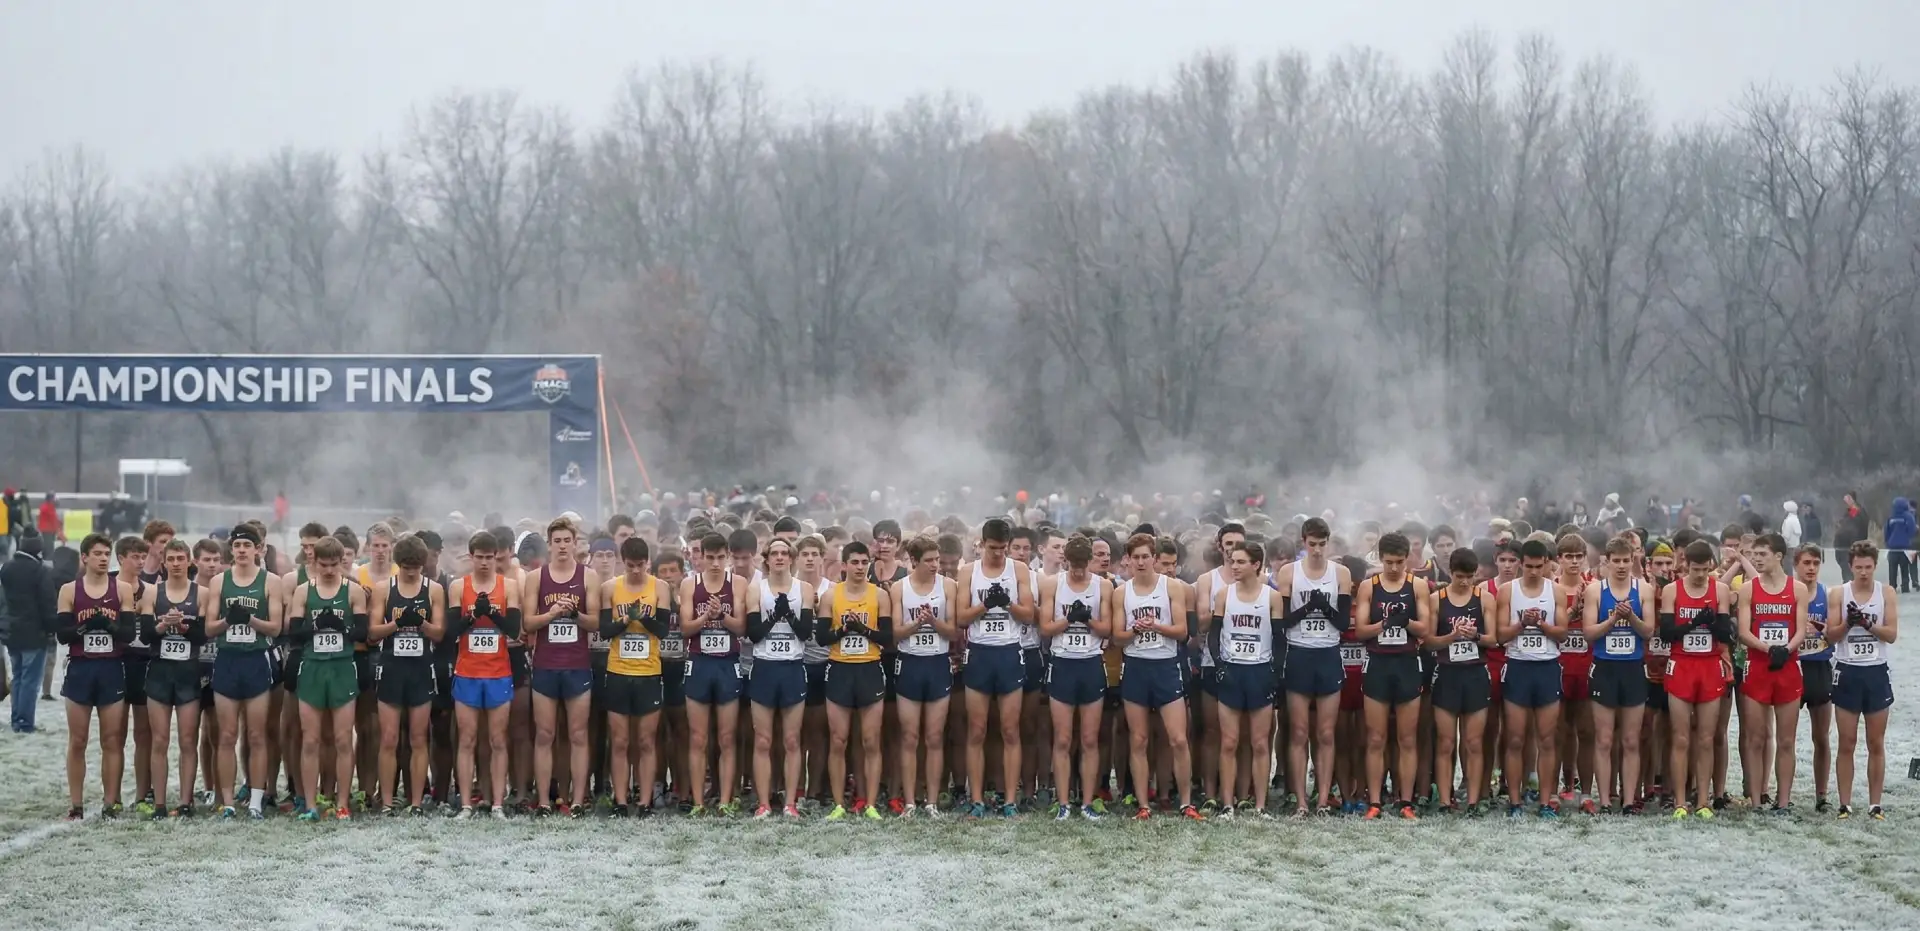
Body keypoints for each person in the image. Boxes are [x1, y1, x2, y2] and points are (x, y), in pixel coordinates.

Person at [1113, 532, 1200, 820]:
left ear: (1154, 558)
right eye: (1135, 557)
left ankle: (1186, 802)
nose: (1140, 562)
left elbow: (1182, 632)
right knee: (1138, 740)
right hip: (1137, 667)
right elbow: (1117, 638)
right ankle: (1143, 804)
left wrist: (1157, 626)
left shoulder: (1171, 587)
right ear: (1127, 560)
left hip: (1165, 665)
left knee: (1177, 738)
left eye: (1145, 557)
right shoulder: (1121, 593)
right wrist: (1135, 630)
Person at [522, 518, 602, 817]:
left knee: (578, 734)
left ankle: (578, 800)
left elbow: (595, 622)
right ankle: (543, 801)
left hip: (577, 665)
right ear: (550, 543)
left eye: (568, 540)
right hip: (545, 665)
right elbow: (528, 623)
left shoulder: (588, 577)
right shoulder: (536, 578)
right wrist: (552, 613)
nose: (563, 546)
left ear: (575, 542)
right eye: (557, 541)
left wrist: (575, 613)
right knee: (545, 734)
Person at [955, 518, 1035, 817]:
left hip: (1009, 653)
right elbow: (961, 618)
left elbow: (1028, 615)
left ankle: (1010, 800)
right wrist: (985, 605)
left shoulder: (1019, 570)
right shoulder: (968, 571)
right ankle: (976, 799)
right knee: (977, 730)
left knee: (1010, 730)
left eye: (1003, 548)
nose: (999, 554)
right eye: (993, 548)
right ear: (981, 544)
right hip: (980, 653)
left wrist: (1009, 603)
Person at [285, 535, 369, 821]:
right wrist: (318, 624)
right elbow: (294, 633)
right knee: (311, 739)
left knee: (344, 738)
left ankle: (342, 802)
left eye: (335, 564)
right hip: (312, 667)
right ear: (314, 561)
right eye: (325, 565)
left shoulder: (353, 591)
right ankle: (310, 804)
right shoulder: (303, 591)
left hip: (342, 668)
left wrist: (341, 628)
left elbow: (362, 633)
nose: (331, 570)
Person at [203, 524, 283, 820]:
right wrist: (227, 621)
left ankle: (256, 800)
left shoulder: (270, 581)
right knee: (226, 735)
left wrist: (250, 619)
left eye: (247, 546)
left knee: (256, 734)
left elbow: (276, 626)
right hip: (227, 660)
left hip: (256, 660)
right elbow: (209, 628)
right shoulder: (220, 582)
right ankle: (227, 801)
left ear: (257, 549)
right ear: (231, 549)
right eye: (236, 546)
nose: (241, 551)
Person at [55, 533, 138, 819]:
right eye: (98, 554)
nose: (104, 558)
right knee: (78, 740)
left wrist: (110, 627)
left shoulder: (122, 589)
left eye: (107, 553)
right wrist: (84, 627)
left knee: (112, 740)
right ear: (85, 557)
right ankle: (76, 804)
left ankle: (110, 802)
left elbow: (129, 634)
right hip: (80, 668)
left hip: (111, 669)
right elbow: (62, 635)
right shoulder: (69, 590)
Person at [1274, 517, 1352, 816]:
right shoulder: (1289, 572)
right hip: (1299, 653)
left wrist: (1324, 607)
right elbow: (1282, 622)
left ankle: (1321, 799)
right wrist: (1309, 606)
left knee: (1326, 733)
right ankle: (1301, 800)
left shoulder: (1340, 573)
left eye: (1322, 544)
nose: (1317, 550)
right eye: (1312, 544)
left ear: (1327, 543)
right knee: (1298, 732)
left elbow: (1343, 623)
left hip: (1328, 653)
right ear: (1303, 543)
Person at [446, 530, 524, 819]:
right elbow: (450, 633)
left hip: (498, 671)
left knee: (498, 739)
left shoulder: (509, 586)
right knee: (467, 738)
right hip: (467, 671)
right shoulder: (458, 586)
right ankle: (466, 804)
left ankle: (497, 804)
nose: (484, 563)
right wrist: (470, 616)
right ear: (471, 557)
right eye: (479, 557)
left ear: (497, 558)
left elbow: (514, 629)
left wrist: (491, 613)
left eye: (489, 558)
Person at [1353, 532, 1431, 820]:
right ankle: (1374, 800)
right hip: (1378, 664)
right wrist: (1384, 623)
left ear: (1407, 558)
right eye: (1389, 562)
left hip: (1408, 663)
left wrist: (1406, 621)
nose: (1395, 568)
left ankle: (1405, 801)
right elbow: (1360, 630)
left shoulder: (1417, 585)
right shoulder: (1369, 586)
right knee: (1375, 737)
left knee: (1407, 738)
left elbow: (1425, 629)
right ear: (1380, 559)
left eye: (1399, 562)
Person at [369, 535, 447, 816]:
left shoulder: (434, 590)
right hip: (391, 667)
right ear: (398, 564)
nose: (412, 571)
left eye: (416, 566)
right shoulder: (384, 589)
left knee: (418, 737)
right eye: (406, 566)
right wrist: (397, 623)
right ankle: (388, 802)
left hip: (421, 668)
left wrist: (421, 624)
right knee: (389, 738)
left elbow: (439, 633)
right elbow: (372, 632)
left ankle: (416, 802)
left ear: (423, 564)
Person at [1659, 540, 1733, 819]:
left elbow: (1725, 633)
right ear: (1685, 565)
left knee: (1705, 737)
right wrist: (1696, 621)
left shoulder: (1720, 590)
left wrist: (1711, 622)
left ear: (1711, 566)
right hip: (1682, 665)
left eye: (1705, 569)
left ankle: (1703, 800)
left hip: (1710, 665)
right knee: (1680, 738)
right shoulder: (1672, 591)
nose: (1701, 574)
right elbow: (1667, 633)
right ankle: (1680, 801)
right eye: (1695, 569)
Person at [817, 541, 892, 819]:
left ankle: (870, 803)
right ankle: (839, 804)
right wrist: (843, 630)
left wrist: (863, 629)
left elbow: (888, 637)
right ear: (844, 565)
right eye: (855, 562)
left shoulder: (879, 596)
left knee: (871, 740)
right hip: (839, 669)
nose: (860, 568)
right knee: (839, 740)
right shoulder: (830, 596)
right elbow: (821, 637)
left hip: (869, 669)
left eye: (864, 562)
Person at [1581, 535, 1656, 814]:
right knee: (1603, 739)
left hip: (1633, 668)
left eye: (1627, 560)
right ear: (1607, 562)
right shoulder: (1595, 591)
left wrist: (1631, 618)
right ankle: (1603, 799)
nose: (1622, 566)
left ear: (1632, 560)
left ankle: (1628, 800)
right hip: (1604, 668)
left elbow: (1648, 631)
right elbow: (1589, 633)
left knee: (1630, 739)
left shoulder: (1643, 589)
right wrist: (1613, 619)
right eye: (1617, 561)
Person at [1038, 534, 1110, 820]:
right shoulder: (1052, 584)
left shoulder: (1102, 585)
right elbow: (1045, 628)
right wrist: (1069, 619)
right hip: (1063, 664)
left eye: (1084, 565)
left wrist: (1088, 619)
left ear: (1089, 562)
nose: (1079, 571)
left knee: (1090, 739)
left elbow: (1107, 629)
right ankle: (1064, 802)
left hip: (1090, 664)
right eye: (1075, 565)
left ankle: (1088, 803)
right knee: (1064, 739)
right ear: (1066, 561)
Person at [1735, 533, 1808, 813]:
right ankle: (1755, 799)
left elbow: (1801, 628)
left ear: (1778, 556)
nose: (1755, 559)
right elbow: (1743, 632)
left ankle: (1784, 800)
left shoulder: (1797, 589)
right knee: (1755, 737)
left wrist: (1786, 649)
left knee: (1786, 739)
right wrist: (1768, 649)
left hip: (1787, 667)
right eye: (1754, 555)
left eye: (1762, 554)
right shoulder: (1748, 589)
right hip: (1758, 666)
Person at [599, 535, 671, 817]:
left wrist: (642, 617)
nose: (637, 571)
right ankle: (620, 800)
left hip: (649, 672)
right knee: (619, 741)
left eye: (641, 565)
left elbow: (663, 630)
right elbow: (604, 630)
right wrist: (625, 619)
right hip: (618, 670)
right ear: (623, 562)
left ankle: (644, 801)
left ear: (648, 562)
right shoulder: (610, 588)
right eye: (631, 565)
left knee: (645, 741)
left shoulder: (660, 588)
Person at [1208, 540, 1281, 818]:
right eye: (1232, 561)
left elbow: (1279, 639)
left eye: (1240, 562)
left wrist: (1274, 672)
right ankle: (1227, 804)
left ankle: (1260, 805)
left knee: (1260, 743)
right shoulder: (1225, 595)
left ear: (1256, 565)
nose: (1234, 566)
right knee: (1229, 741)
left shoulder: (1271, 597)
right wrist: (1219, 665)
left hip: (1259, 671)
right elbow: (1214, 634)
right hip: (1232, 670)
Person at [1497, 538, 1567, 818]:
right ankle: (1515, 801)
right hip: (1518, 666)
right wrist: (1520, 624)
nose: (1534, 572)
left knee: (1547, 740)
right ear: (1520, 564)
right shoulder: (1507, 591)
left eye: (1539, 566)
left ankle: (1546, 801)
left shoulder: (1556, 591)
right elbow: (1500, 636)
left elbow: (1563, 633)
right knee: (1515, 739)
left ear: (1548, 564)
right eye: (1528, 566)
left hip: (1547, 667)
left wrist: (1540, 623)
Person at [746, 538, 816, 818]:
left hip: (792, 667)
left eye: (784, 553)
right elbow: (753, 634)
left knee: (791, 740)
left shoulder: (805, 589)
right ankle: (763, 803)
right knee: (762, 740)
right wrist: (776, 614)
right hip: (764, 667)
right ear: (767, 559)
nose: (779, 558)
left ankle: (790, 803)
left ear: (791, 558)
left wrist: (788, 612)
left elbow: (804, 633)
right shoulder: (756, 589)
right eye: (774, 553)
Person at [138, 539, 207, 818]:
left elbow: (203, 637)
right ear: (164, 562)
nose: (176, 564)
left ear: (189, 561)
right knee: (160, 740)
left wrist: (182, 626)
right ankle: (159, 804)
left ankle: (186, 801)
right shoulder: (152, 593)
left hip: (188, 673)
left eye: (181, 558)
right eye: (172, 559)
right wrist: (162, 624)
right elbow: (144, 635)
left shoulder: (201, 593)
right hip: (160, 673)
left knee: (188, 739)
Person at [1828, 541, 1897, 820]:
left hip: (1876, 671)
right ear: (1850, 566)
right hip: (1848, 670)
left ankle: (1875, 804)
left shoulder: (1886, 593)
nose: (1864, 573)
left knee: (1875, 742)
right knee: (1847, 741)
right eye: (1859, 567)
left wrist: (1867, 624)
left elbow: (1891, 634)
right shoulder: (1839, 593)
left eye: (1868, 567)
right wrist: (1848, 623)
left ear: (1875, 566)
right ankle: (1844, 804)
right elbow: (1831, 636)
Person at [679, 531, 746, 815]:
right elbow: (685, 629)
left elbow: (743, 628)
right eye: (710, 558)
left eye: (721, 557)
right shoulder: (689, 585)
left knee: (727, 737)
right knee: (698, 737)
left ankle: (725, 801)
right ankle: (697, 802)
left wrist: (723, 616)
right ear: (700, 558)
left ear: (727, 557)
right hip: (699, 662)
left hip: (728, 662)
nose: (716, 563)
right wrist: (707, 616)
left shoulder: (738, 583)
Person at [1425, 546, 1497, 811]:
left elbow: (1493, 639)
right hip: (1447, 674)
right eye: (1459, 576)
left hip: (1475, 673)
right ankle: (1445, 799)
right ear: (1450, 573)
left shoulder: (1484, 598)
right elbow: (1429, 642)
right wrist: (1452, 636)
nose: (1464, 581)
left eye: (1469, 576)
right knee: (1446, 742)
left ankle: (1474, 800)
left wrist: (1474, 635)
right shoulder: (1437, 599)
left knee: (1473, 742)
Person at [891, 535, 957, 818]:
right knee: (909, 736)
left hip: (937, 662)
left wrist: (933, 622)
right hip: (909, 663)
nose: (934, 565)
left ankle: (930, 802)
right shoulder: (899, 588)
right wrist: (917, 623)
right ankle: (909, 802)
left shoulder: (948, 586)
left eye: (937, 560)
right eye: (928, 560)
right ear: (913, 561)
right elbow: (895, 634)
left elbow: (954, 632)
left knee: (934, 737)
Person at [1794, 543, 1836, 812]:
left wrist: (1821, 628)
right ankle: (1778, 792)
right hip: (1792, 668)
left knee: (1821, 737)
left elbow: (1836, 634)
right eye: (1806, 563)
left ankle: (1822, 794)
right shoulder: (1787, 593)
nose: (1811, 568)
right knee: (1784, 738)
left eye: (1815, 563)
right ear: (1796, 565)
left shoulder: (1828, 595)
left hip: (1819, 668)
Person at [2, 532, 53, 732]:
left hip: (12, 632)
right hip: (34, 633)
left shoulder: (6, 568)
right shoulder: (40, 571)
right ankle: (25, 722)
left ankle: (17, 719)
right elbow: (47, 604)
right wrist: (51, 630)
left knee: (18, 677)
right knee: (30, 681)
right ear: (38, 547)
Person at [1884, 498, 1916, 594]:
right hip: (1904, 547)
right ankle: (1905, 587)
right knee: (1904, 568)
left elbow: (1886, 531)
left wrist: (1887, 542)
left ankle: (1892, 586)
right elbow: (1912, 530)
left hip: (1892, 547)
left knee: (1892, 568)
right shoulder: (1908, 516)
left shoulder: (1891, 517)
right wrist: (1907, 538)